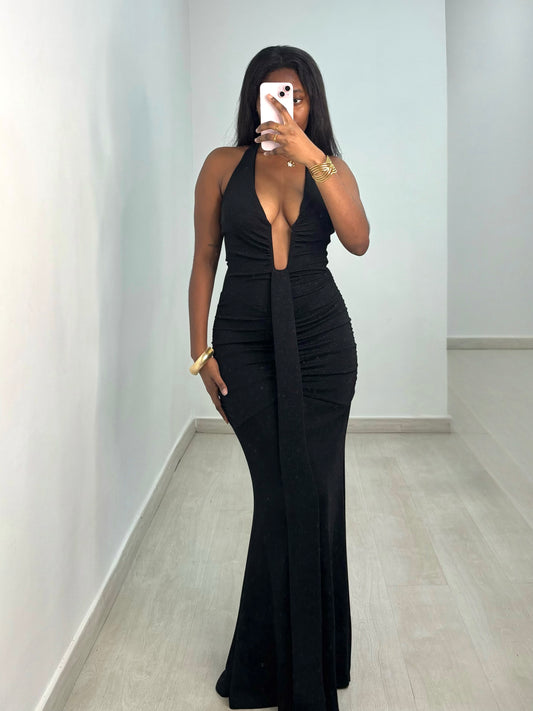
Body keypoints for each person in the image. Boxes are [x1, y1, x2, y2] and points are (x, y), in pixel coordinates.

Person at [188, 45, 369, 711]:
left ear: (311, 102)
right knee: (281, 492)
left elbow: (358, 239)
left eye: (296, 94)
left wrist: (312, 155)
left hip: (322, 346)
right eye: (272, 93)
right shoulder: (222, 165)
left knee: (314, 495)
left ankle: (297, 665)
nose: (284, 104)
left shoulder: (329, 167)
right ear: (254, 99)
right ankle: (279, 666)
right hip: (244, 345)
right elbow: (204, 258)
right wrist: (200, 352)